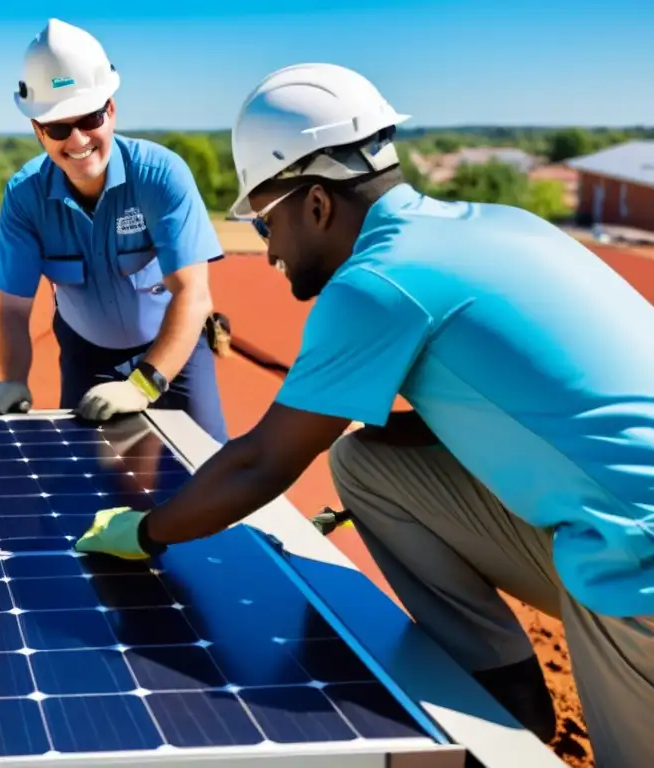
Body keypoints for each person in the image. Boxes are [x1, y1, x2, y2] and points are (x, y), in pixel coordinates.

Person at [73, 62, 654, 768]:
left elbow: (261, 462)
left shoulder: (376, 282)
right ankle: (505, 694)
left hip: (637, 561)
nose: (269, 250)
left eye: (267, 222)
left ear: (317, 203)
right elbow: (512, 411)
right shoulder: (503, 225)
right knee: (367, 461)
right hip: (619, 514)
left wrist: (147, 530)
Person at [0, 18, 229, 443]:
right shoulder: (24, 197)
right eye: (58, 127)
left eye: (89, 119)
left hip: (176, 348)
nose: (77, 141)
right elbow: (13, 310)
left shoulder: (161, 175)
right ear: (38, 130)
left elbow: (193, 294)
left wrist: (143, 385)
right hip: (87, 355)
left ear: (110, 110)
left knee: (206, 463)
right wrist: (14, 379)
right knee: (88, 476)